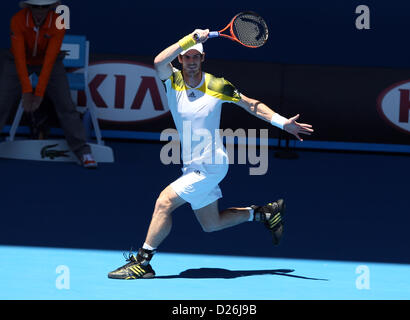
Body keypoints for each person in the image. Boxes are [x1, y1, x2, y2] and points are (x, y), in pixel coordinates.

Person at [108, 29, 314, 279]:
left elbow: (251, 105)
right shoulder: (172, 81)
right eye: (187, 57)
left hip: (211, 164)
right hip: (192, 165)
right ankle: (264, 213)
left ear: (202, 59)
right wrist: (190, 39)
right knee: (211, 223)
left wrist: (283, 123)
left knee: (164, 202)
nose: (192, 61)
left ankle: (143, 263)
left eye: (196, 57)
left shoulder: (217, 85)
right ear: (181, 60)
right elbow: (158, 62)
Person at [0, 0, 97, 168]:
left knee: (66, 104)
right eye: (35, 6)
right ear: (29, 6)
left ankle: (83, 151)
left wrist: (38, 94)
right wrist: (27, 91)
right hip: (19, 61)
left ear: (50, 7)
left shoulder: (58, 23)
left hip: (50, 62)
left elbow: (50, 60)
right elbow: (20, 58)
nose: (39, 10)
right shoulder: (17, 20)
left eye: (44, 6)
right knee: (2, 102)